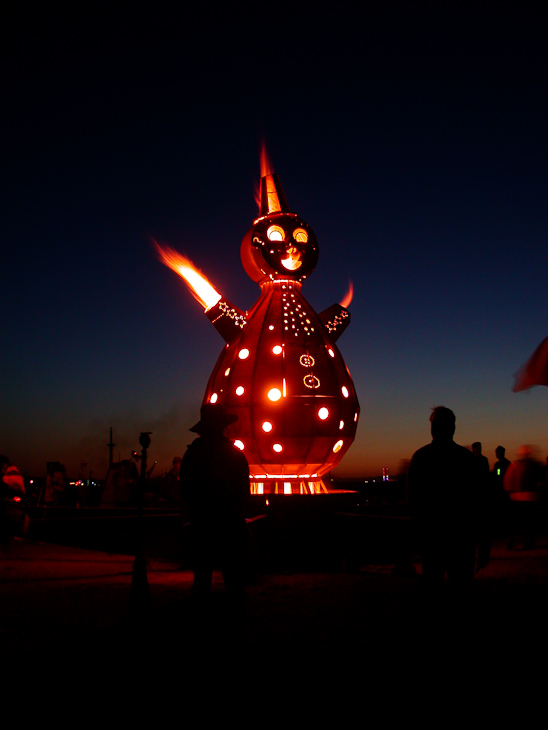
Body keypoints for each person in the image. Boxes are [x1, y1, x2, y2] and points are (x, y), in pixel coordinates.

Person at [407, 407, 490, 588]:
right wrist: (483, 543)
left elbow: (414, 502)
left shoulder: (421, 458)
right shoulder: (466, 459)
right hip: (461, 539)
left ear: (432, 428)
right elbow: (480, 503)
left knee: (433, 591)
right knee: (461, 592)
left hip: (433, 538)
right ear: (452, 428)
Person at [180, 404, 250, 607]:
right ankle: (234, 614)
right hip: (230, 521)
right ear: (223, 427)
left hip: (202, 520)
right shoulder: (235, 455)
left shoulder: (193, 455)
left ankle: (201, 615)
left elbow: (185, 489)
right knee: (232, 571)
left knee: (202, 572)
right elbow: (243, 491)